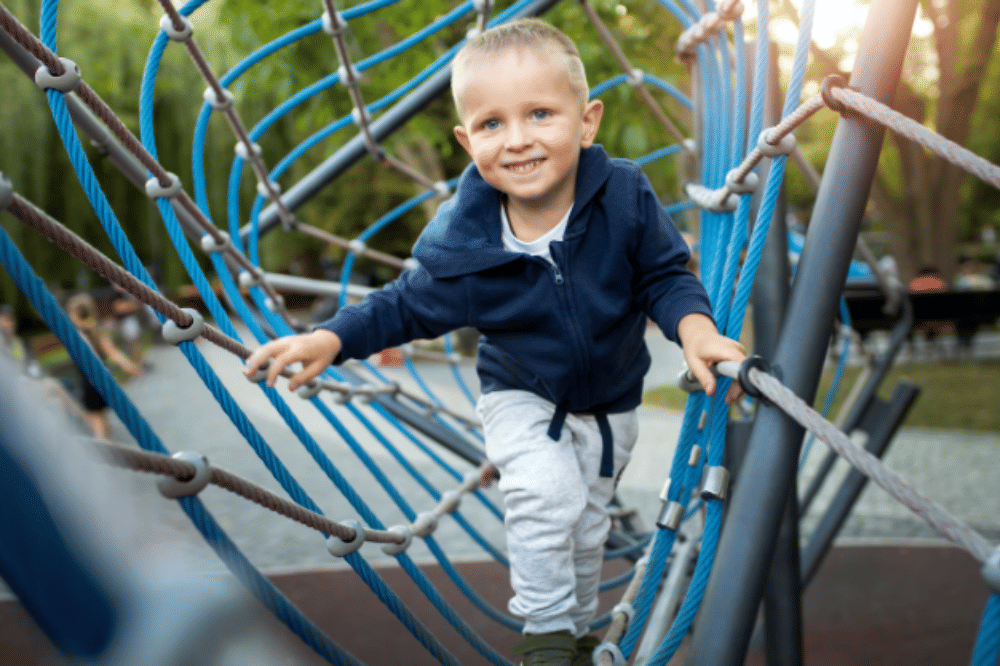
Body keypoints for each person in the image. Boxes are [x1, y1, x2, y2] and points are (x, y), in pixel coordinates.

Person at [245, 18, 745, 666]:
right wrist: (331, 339)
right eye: (491, 124)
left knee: (589, 527)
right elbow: (405, 305)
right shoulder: (467, 245)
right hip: (520, 394)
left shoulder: (622, 195)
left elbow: (663, 275)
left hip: (614, 400)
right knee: (546, 496)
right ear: (466, 139)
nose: (517, 140)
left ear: (587, 120)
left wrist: (695, 328)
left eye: (539, 113)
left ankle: (573, 628)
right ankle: (544, 636)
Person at [65, 292, 143, 439]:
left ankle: (103, 452)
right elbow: (113, 353)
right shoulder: (95, 330)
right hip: (99, 380)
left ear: (74, 314)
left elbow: (91, 358)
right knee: (102, 419)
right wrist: (130, 367)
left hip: (89, 382)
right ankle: (108, 448)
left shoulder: (79, 334)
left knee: (96, 421)